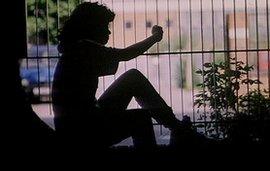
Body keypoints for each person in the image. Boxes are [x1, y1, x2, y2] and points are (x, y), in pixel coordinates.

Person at [52, 2, 205, 149]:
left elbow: (114, 61)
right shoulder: (84, 49)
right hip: (82, 132)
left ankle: (178, 129)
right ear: (92, 27)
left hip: (76, 127)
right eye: (105, 26)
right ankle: (178, 130)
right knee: (140, 117)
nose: (109, 31)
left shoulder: (74, 50)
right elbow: (125, 54)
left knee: (132, 78)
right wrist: (155, 37)